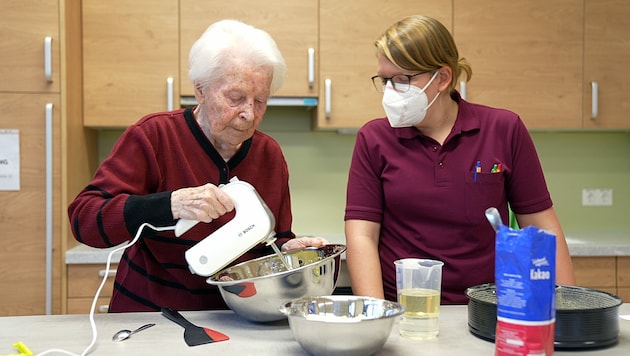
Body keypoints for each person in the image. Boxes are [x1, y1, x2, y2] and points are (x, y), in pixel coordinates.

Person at [68, 19, 326, 312]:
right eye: (236, 97)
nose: (249, 114)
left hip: (235, 318)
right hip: (150, 320)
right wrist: (171, 205)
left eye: (260, 100)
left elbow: (271, 239)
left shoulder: (270, 155)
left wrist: (288, 250)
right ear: (201, 90)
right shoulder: (153, 136)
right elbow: (84, 219)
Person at [344, 15, 576, 305]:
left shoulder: (503, 129)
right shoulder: (374, 139)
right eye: (385, 80)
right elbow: (361, 237)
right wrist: (376, 317)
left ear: (442, 78)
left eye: (403, 80)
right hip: (406, 309)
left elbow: (542, 228)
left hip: (492, 307)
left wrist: (568, 310)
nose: (391, 91)